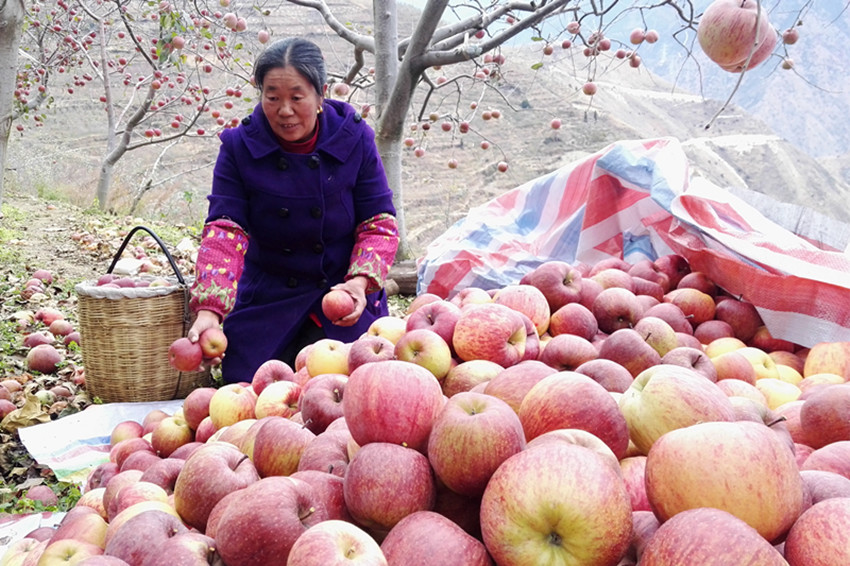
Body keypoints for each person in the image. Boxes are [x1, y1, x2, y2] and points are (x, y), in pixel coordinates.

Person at [186, 37, 399, 384]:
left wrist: (360, 283)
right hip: (270, 296)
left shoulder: (354, 137)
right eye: (272, 98)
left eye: (297, 98)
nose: (284, 110)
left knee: (359, 387)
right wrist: (210, 309)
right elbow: (226, 229)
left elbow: (379, 222)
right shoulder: (239, 147)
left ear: (321, 94)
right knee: (247, 389)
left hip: (343, 294)